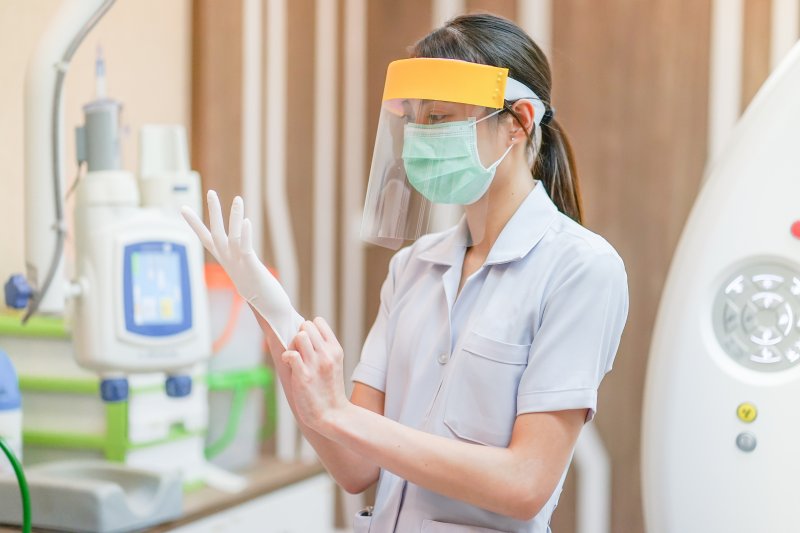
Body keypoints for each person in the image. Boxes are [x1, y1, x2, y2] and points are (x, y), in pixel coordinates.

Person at [183, 13, 628, 533]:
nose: (420, 137)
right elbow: (355, 466)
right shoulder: (412, 267)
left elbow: (525, 483)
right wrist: (271, 311)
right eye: (414, 120)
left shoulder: (580, 270)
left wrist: (342, 416)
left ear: (519, 121)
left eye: (440, 118)